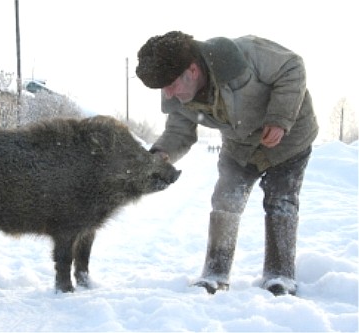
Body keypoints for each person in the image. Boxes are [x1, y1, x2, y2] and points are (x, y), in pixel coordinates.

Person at [136, 31, 318, 296]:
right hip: (240, 144)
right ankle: (215, 274)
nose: (167, 93)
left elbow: (292, 67)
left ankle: (280, 275)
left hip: (288, 138)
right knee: (225, 199)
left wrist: (280, 119)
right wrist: (160, 155)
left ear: (193, 70)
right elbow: (179, 133)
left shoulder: (246, 53)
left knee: (281, 199)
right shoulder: (176, 92)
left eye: (170, 85)